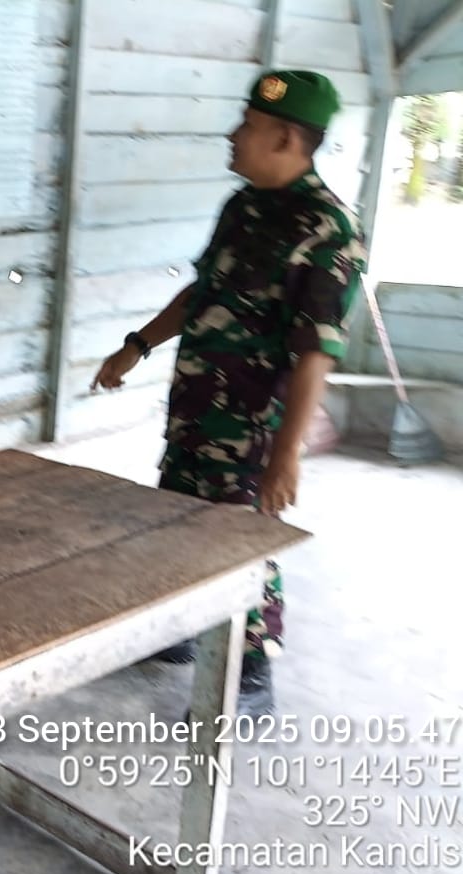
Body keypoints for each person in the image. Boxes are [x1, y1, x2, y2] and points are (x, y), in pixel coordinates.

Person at [91, 70, 368, 717]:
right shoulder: (243, 207)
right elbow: (203, 293)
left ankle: (251, 673)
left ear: (286, 138)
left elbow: (315, 351)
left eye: (247, 125)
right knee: (177, 516)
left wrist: (286, 454)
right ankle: (183, 628)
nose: (234, 135)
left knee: (242, 540)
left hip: (252, 426)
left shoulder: (328, 230)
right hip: (198, 409)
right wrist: (137, 344)